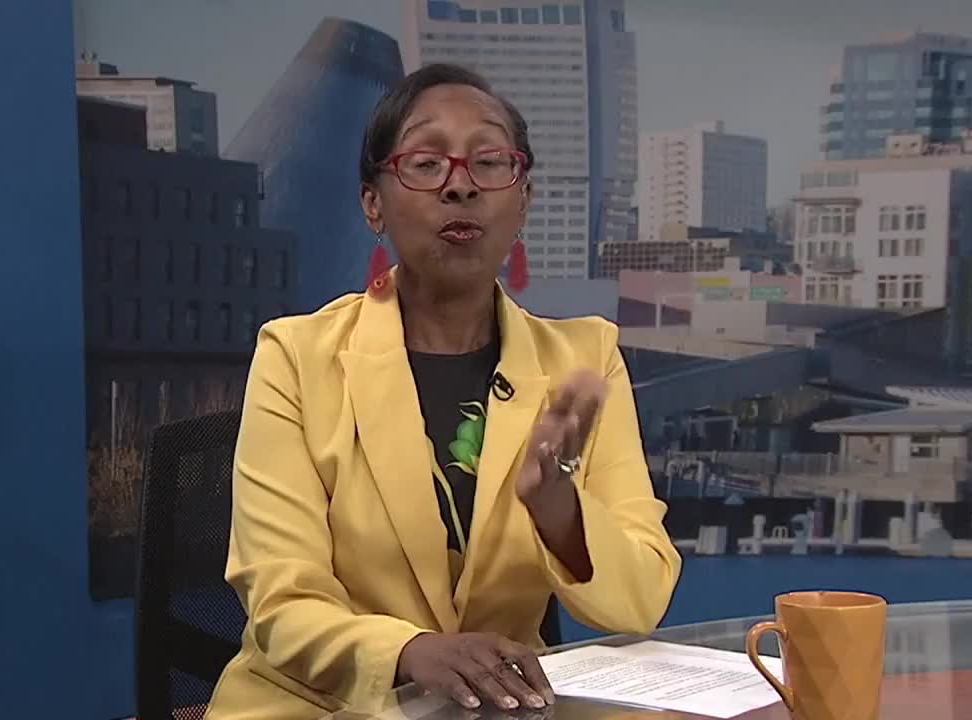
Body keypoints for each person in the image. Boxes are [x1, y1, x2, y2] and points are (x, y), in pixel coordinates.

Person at [204, 63, 682, 719]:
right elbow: (281, 602)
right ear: (373, 202)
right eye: (426, 164)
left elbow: (641, 600)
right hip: (317, 708)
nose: (461, 185)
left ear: (523, 199)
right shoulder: (296, 357)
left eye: (489, 162)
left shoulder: (585, 359)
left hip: (496, 708)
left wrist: (560, 510)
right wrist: (408, 651)